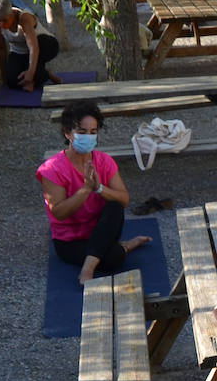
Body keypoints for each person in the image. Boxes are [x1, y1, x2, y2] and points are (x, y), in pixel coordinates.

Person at [38, 102, 152, 284]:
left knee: (114, 206)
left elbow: (124, 200)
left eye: (93, 132)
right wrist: (85, 189)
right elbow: (58, 213)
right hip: (69, 241)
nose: (88, 137)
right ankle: (126, 246)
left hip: (100, 231)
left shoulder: (104, 161)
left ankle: (88, 268)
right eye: (82, 132)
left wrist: (99, 188)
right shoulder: (52, 169)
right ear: (68, 133)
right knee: (113, 258)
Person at [0, 0, 61, 92]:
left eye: (5, 21)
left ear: (12, 14)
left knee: (34, 72)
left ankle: (40, 75)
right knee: (12, 81)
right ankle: (45, 73)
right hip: (21, 51)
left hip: (44, 45)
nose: (2, 25)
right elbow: (1, 49)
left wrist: (30, 76)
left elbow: (34, 48)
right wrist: (4, 75)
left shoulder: (24, 19)